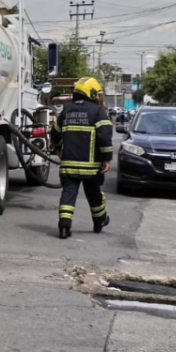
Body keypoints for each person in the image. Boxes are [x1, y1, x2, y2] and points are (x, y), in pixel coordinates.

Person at [50, 77, 113, 240]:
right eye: (97, 93)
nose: (99, 97)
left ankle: (64, 227)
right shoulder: (98, 112)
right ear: (91, 93)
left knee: (68, 194)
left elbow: (55, 133)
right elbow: (105, 137)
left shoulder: (67, 110)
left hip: (69, 164)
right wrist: (106, 158)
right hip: (91, 167)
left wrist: (57, 147)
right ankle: (99, 221)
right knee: (94, 194)